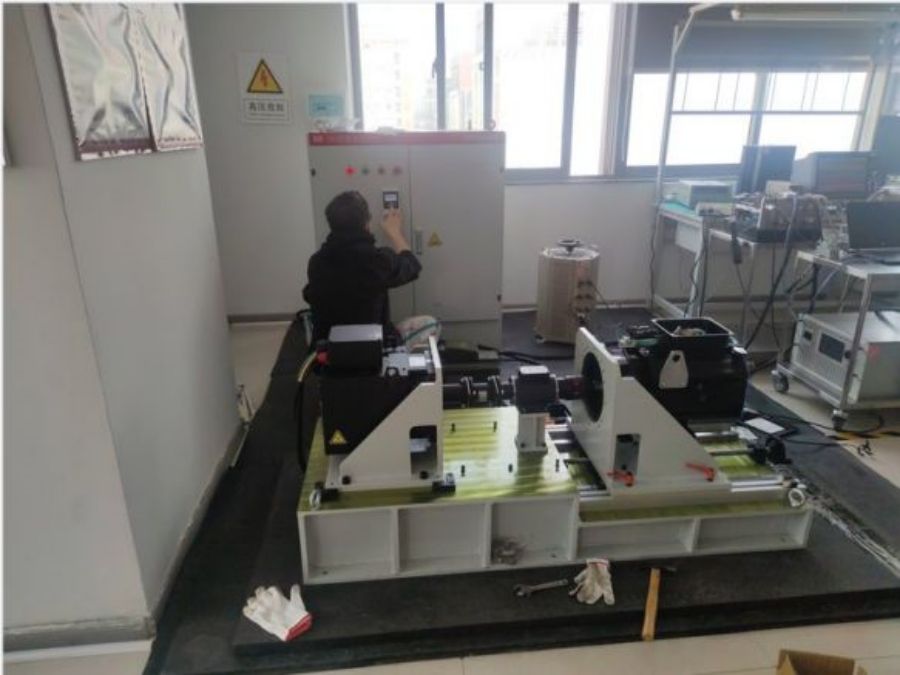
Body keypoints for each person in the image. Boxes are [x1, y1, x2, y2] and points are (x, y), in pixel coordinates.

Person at [303, 190, 423, 345]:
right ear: (366, 223)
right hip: (371, 348)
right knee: (430, 323)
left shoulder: (316, 262)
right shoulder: (377, 260)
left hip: (328, 349)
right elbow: (412, 265)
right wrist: (395, 232)